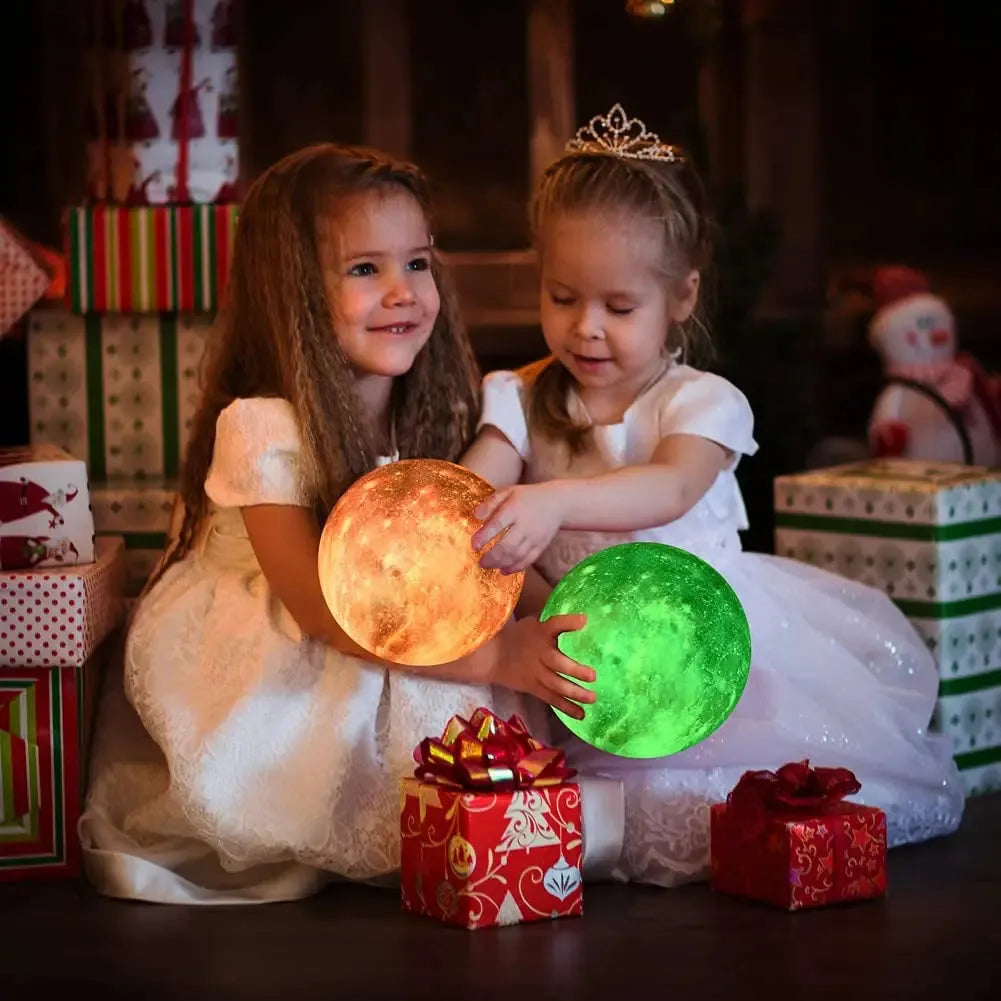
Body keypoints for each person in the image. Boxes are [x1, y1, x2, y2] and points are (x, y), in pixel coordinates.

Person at [79, 143, 597, 904]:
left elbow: (453, 554)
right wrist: (493, 658)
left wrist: (549, 606)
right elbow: (322, 613)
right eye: (364, 269)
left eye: (416, 263)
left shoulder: (424, 411)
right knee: (400, 681)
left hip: (380, 614)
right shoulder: (263, 426)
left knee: (468, 683)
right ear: (291, 291)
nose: (403, 292)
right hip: (289, 630)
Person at [462, 104, 965, 887]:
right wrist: (479, 521)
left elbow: (668, 487)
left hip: (698, 643)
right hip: (566, 637)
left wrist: (554, 501)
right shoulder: (516, 395)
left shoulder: (699, 402)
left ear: (682, 298)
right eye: (562, 298)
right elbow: (479, 487)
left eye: (618, 307)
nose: (586, 328)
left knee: (696, 790)